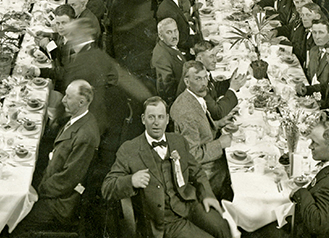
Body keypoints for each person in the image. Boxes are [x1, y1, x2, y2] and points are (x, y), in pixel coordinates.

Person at [102, 97, 228, 238]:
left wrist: (207, 195)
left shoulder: (178, 141)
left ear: (167, 119)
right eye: (151, 117)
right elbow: (107, 188)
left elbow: (197, 171)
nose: (156, 122)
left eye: (160, 117)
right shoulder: (129, 149)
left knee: (224, 229)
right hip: (165, 220)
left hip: (189, 204)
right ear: (143, 119)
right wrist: (131, 180)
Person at [21, 80, 102, 228]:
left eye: (68, 97)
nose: (63, 100)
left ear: (81, 102)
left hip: (60, 203)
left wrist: (38, 190)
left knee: (16, 218)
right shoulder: (78, 119)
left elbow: (68, 179)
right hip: (51, 181)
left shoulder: (86, 136)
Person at [170, 62, 232, 194]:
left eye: (205, 77)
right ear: (187, 81)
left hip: (207, 155)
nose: (204, 83)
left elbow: (200, 127)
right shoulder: (186, 113)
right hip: (203, 171)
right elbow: (193, 155)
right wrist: (220, 143)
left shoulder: (194, 96)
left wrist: (219, 123)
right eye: (198, 79)